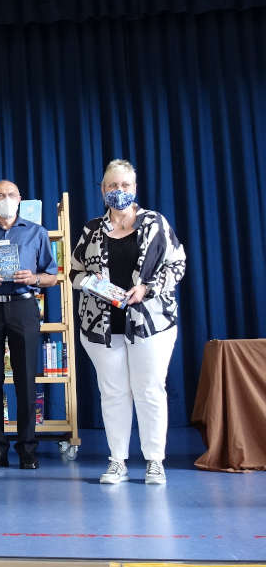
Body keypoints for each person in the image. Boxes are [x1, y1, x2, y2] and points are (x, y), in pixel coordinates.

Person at [70, 159, 185, 485]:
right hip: (102, 327)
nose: (118, 191)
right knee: (113, 392)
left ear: (134, 189)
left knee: (149, 390)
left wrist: (147, 288)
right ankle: (117, 461)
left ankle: (154, 461)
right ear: (103, 189)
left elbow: (177, 265)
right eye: (112, 186)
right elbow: (74, 272)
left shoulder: (155, 223)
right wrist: (94, 285)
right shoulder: (92, 229)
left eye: (124, 186)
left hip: (151, 322)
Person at [0, 180, 58, 470]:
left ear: (20, 198)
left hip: (24, 306)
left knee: (25, 379)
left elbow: (52, 275)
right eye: (0, 195)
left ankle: (27, 448)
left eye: (11, 194)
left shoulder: (37, 233)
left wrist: (34, 278)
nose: (6, 199)